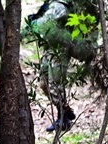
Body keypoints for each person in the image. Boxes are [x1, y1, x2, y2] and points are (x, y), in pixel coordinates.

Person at [28, 0, 77, 132]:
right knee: (43, 83)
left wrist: (33, 22)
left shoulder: (60, 5)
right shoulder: (53, 4)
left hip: (59, 50)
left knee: (55, 85)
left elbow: (43, 24)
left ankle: (63, 119)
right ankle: (65, 110)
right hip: (49, 48)